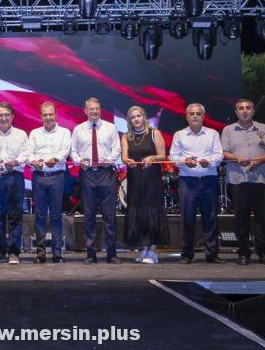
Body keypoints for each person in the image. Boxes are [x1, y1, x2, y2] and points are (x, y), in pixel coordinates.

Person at [221, 99, 265, 266]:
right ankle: (243, 253)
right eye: (241, 108)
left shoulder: (264, 128)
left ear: (253, 111)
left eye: (248, 108)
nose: (244, 111)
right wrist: (237, 157)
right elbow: (224, 153)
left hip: (262, 180)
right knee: (241, 219)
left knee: (263, 219)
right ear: (236, 112)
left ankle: (264, 253)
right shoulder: (228, 130)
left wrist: (259, 160)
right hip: (239, 181)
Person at [70, 98, 122, 264]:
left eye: (97, 109)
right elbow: (74, 151)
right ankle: (90, 254)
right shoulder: (78, 129)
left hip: (106, 173)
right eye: (91, 109)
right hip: (88, 174)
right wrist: (79, 161)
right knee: (89, 215)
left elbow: (117, 149)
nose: (94, 111)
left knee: (109, 215)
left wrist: (110, 159)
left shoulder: (110, 127)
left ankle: (112, 254)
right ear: (85, 111)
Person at [170, 103, 224, 264]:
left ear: (203, 116)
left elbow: (218, 155)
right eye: (191, 114)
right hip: (187, 181)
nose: (195, 116)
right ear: (186, 117)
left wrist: (210, 163)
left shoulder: (212, 134)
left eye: (198, 114)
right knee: (187, 219)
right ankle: (187, 253)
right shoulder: (179, 135)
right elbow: (173, 156)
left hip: (208, 180)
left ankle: (212, 254)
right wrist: (184, 161)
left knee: (210, 218)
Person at [24, 101, 71, 264]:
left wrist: (56, 159)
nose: (48, 117)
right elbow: (28, 153)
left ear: (56, 115)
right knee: (40, 216)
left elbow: (65, 150)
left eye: (51, 114)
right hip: (39, 177)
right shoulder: (35, 133)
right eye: (45, 114)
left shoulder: (65, 132)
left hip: (57, 176)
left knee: (57, 216)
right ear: (41, 116)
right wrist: (33, 161)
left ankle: (57, 253)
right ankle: (41, 252)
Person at [121, 105, 169, 264]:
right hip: (135, 179)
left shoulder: (155, 133)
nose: (136, 119)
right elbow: (124, 157)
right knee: (138, 214)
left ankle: (153, 252)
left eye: (138, 116)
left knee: (153, 213)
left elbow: (162, 155)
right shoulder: (126, 137)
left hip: (152, 180)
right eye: (133, 117)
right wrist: (129, 162)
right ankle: (143, 250)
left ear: (144, 117)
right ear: (130, 120)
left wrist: (152, 158)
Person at [0, 102, 28, 264]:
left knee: (15, 216)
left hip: (14, 177)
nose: (4, 118)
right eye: (0, 115)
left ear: (12, 117)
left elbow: (25, 155)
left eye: (6, 115)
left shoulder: (21, 135)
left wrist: (15, 161)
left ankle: (14, 253)